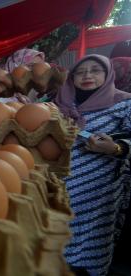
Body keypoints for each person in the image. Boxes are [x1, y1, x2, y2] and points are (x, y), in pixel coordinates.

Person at [54, 54, 131, 276]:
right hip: (59, 190)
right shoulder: (61, 103)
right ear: (73, 77)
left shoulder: (124, 103)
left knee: (90, 249)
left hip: (97, 193)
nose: (87, 75)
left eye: (95, 70)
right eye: (81, 71)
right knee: (56, 246)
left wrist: (116, 148)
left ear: (107, 75)